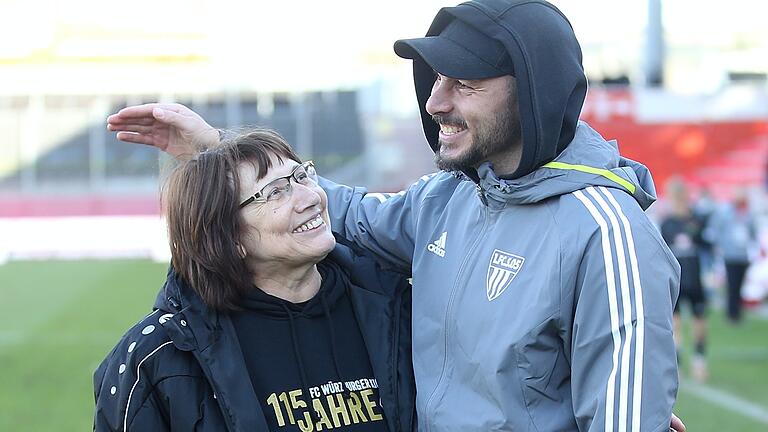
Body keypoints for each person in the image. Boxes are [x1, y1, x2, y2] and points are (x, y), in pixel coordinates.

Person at [107, 1, 687, 430]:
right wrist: (219, 153)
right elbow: (341, 213)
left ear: (533, 91)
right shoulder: (446, 200)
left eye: (465, 84)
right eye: (437, 81)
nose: (436, 103)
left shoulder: (605, 233)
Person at [93, 130, 416, 431]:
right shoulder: (158, 357)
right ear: (228, 237)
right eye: (275, 192)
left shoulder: (398, 311)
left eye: (301, 175)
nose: (310, 197)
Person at [659, 177, 709, 381]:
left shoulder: (697, 221)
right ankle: (679, 364)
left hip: (694, 278)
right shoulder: (667, 223)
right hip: (676, 279)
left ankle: (699, 362)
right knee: (676, 323)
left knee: (698, 322)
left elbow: (707, 246)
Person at [704, 187, 758, 323]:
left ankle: (737, 312)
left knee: (739, 285)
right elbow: (715, 229)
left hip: (743, 254)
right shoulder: (725, 212)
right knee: (732, 284)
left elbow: (752, 233)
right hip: (730, 254)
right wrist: (720, 245)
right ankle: (731, 313)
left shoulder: (747, 214)